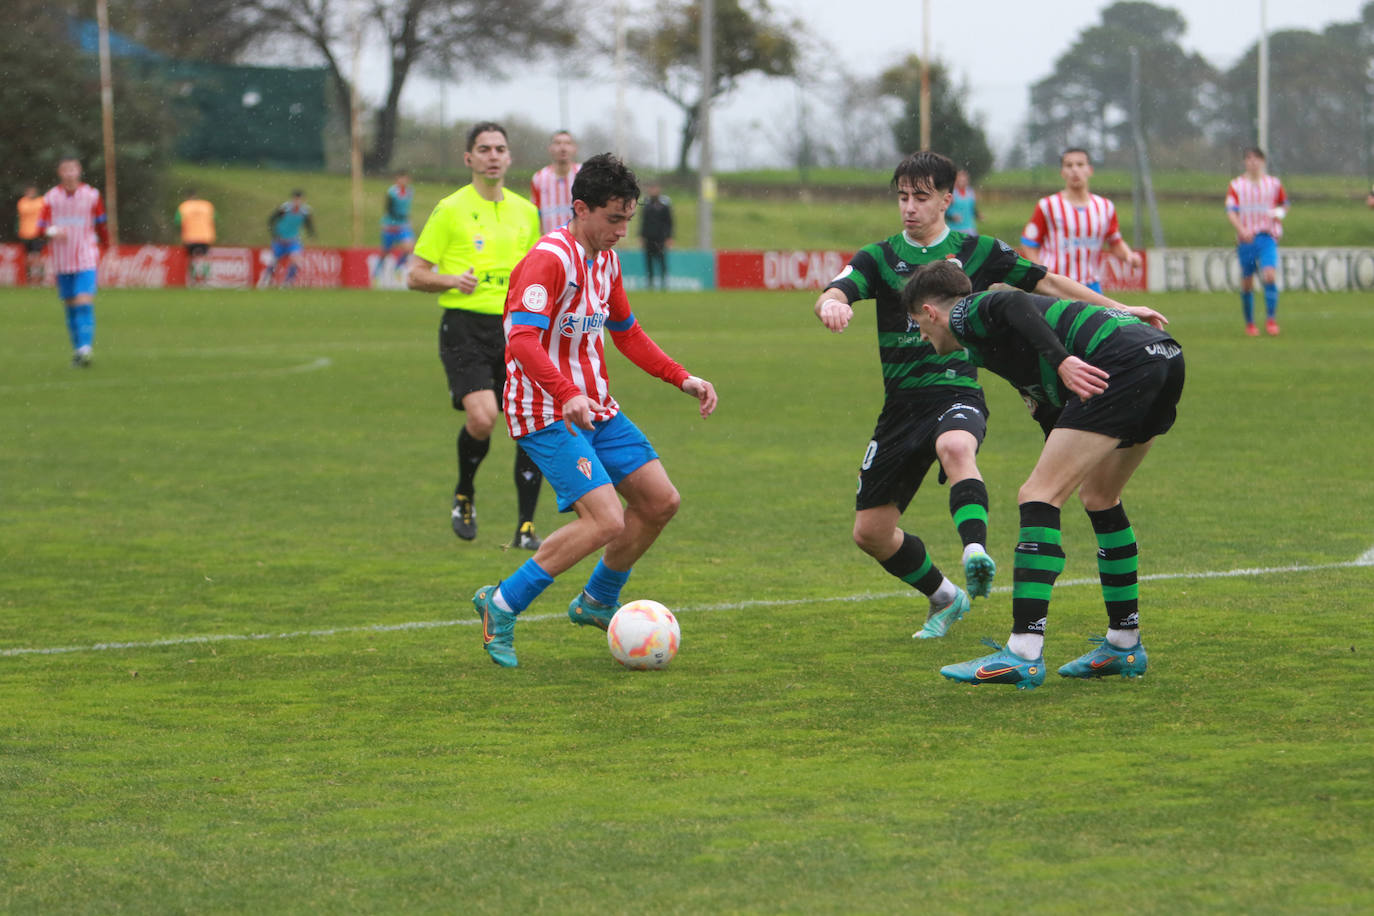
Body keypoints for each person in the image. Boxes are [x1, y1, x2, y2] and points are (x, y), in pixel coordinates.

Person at [813, 150, 1162, 643]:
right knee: (869, 533)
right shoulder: (879, 256)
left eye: (921, 197)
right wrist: (832, 306)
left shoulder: (976, 251)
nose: (909, 208)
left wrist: (1120, 307)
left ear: (947, 199)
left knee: (956, 447)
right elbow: (838, 288)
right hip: (900, 406)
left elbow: (1045, 281)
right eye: (902, 198)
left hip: (956, 390)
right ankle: (943, 595)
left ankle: (975, 551)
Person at [472, 152, 717, 667]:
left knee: (660, 501)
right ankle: (500, 603)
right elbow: (520, 341)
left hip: (595, 407)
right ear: (579, 209)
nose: (623, 230)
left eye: (628, 219)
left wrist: (682, 377)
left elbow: (626, 333)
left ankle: (597, 599)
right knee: (605, 520)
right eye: (613, 219)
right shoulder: (549, 259)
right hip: (545, 410)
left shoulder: (605, 260)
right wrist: (566, 394)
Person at [903, 260, 1181, 690]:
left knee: (1038, 495)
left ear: (931, 311)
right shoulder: (1011, 355)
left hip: (1121, 360)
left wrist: (1064, 359)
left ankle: (1023, 651)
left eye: (918, 323)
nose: (921, 335)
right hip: (1162, 355)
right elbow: (1058, 423)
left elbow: (1013, 300)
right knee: (1100, 496)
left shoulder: (966, 312)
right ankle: (1124, 644)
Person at [408, 121, 546, 550]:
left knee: (529, 427)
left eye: (499, 148)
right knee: (484, 417)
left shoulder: (527, 212)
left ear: (509, 158)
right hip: (465, 327)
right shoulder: (450, 209)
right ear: (469, 159)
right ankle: (465, 492)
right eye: (483, 149)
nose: (492, 155)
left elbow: (539, 275)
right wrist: (451, 279)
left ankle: (526, 526)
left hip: (517, 330)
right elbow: (414, 275)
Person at [1019, 148, 1141, 294]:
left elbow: (1115, 242)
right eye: (1069, 165)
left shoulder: (1105, 207)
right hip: (1056, 286)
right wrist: (1042, 273)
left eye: (1080, 164)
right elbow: (1029, 244)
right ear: (1062, 172)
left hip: (1091, 286)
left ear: (1090, 170)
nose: (1075, 170)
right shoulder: (1047, 206)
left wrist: (1129, 256)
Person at [38, 158, 108, 367]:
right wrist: (52, 231)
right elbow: (40, 228)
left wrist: (107, 245)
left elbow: (101, 224)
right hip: (62, 259)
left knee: (83, 302)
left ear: (79, 171)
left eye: (73, 169)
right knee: (70, 306)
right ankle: (79, 351)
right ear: (60, 173)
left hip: (86, 255)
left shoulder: (92, 195)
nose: (69, 173)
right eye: (65, 170)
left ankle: (86, 348)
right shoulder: (51, 197)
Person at [1226, 147, 1288, 336]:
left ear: (1263, 162)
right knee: (1247, 282)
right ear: (1245, 162)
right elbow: (1231, 211)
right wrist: (1241, 229)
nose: (1252, 163)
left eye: (1256, 159)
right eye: (1249, 159)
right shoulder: (1236, 185)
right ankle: (1250, 323)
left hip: (1267, 236)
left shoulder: (1274, 184)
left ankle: (1271, 320)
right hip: (1247, 238)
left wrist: (1279, 213)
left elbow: (1284, 204)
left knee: (1269, 274)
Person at [530, 130, 580, 233]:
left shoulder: (584, 174)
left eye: (567, 143)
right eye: (558, 143)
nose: (563, 148)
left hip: (580, 243)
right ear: (550, 149)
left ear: (574, 148)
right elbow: (535, 214)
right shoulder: (539, 178)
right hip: (551, 244)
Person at [265, 189, 314, 287]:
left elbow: (309, 224)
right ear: (293, 199)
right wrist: (274, 233)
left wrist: (311, 233)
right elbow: (272, 219)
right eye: (296, 199)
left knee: (296, 259)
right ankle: (267, 279)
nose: (297, 202)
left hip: (293, 240)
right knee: (274, 261)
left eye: (299, 200)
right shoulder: (285, 208)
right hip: (280, 240)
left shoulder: (305, 211)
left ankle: (288, 282)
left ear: (302, 200)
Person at [375, 170, 414, 279]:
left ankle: (397, 268)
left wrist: (407, 220)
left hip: (403, 225)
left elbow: (407, 207)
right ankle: (376, 273)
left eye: (405, 179)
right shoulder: (392, 192)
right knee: (385, 251)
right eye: (401, 178)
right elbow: (388, 208)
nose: (404, 181)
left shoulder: (410, 191)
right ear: (397, 180)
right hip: (390, 225)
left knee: (409, 247)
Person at [638, 179, 674, 290]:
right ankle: (650, 283)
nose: (653, 190)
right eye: (651, 188)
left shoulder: (664, 205)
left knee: (662, 261)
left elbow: (669, 222)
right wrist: (641, 236)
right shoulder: (646, 204)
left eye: (655, 188)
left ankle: (664, 283)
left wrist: (669, 237)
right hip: (649, 237)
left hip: (660, 238)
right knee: (648, 262)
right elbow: (643, 221)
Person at [176, 189, 216, 286]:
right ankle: (206, 280)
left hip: (190, 236)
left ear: (187, 197)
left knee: (192, 258)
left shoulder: (183, 207)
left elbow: (177, 221)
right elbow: (214, 218)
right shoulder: (207, 205)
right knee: (205, 257)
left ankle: (193, 280)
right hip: (205, 236)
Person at [16, 184, 46, 285]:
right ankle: (30, 279)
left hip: (37, 233)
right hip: (25, 234)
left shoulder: (40, 201)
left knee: (36, 256)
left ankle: (38, 279)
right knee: (28, 257)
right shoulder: (23, 202)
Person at [945, 169, 980, 235]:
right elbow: (945, 210)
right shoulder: (951, 192)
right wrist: (952, 217)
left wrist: (978, 215)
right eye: (960, 180)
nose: (962, 182)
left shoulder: (970, 191)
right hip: (954, 228)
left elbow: (971, 208)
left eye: (964, 180)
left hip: (969, 227)